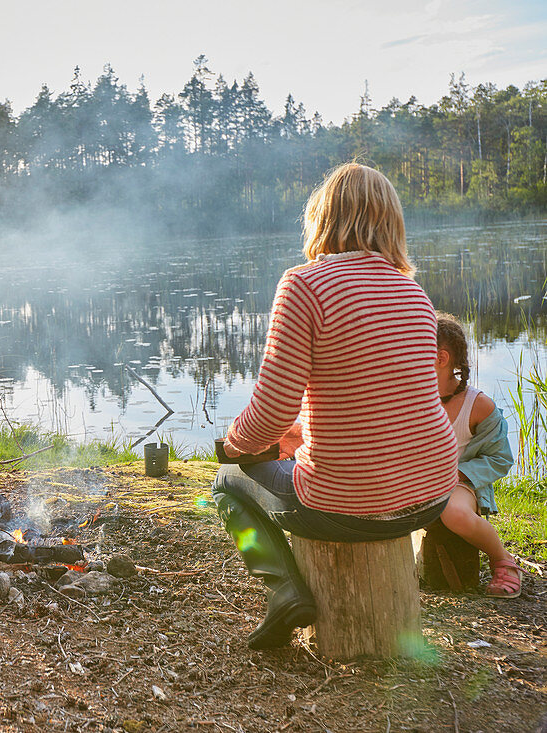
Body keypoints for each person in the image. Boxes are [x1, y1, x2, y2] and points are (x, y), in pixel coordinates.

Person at [213, 162, 460, 650]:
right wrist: (299, 435)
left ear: (322, 217)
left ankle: (283, 592)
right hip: (432, 494)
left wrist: (236, 446)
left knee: (227, 484)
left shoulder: (304, 285)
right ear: (391, 221)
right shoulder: (414, 293)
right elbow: (379, 399)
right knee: (282, 457)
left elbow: (269, 414)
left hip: (349, 504)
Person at [434, 313, 521, 597]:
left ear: (441, 358)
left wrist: (459, 473)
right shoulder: (408, 397)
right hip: (417, 481)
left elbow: (500, 459)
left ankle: (503, 561)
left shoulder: (478, 405)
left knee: (455, 514)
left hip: (460, 483)